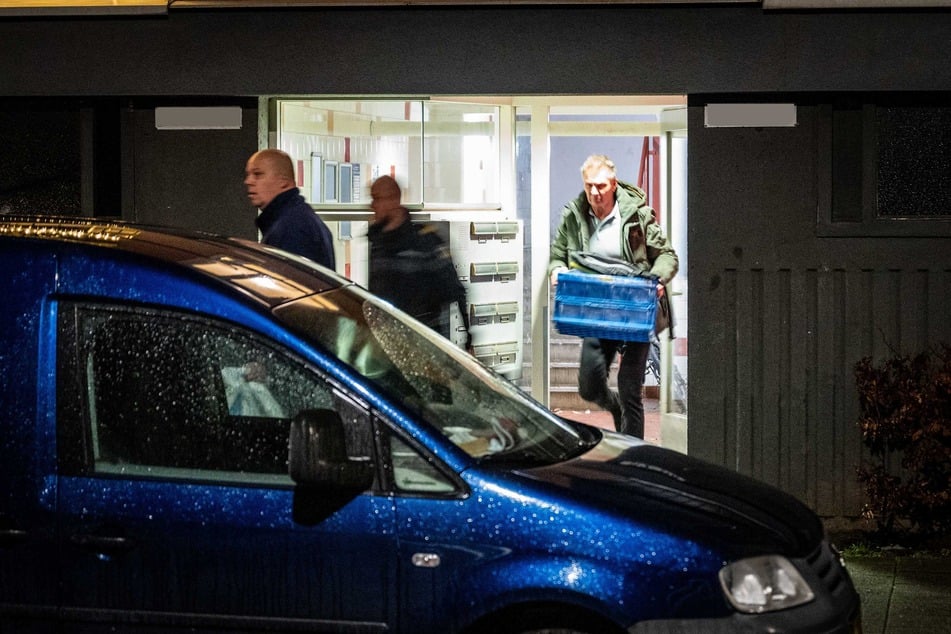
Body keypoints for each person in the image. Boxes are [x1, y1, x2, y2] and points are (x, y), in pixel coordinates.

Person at [548, 154, 678, 439]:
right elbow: (557, 255)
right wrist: (557, 270)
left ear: (614, 184)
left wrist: (657, 278)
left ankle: (633, 455)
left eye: (601, 186)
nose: (594, 192)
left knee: (631, 387)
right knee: (589, 386)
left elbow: (666, 256)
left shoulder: (638, 215)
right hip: (597, 311)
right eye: (589, 186)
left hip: (633, 311)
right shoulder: (573, 216)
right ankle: (614, 408)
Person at [367, 175, 472, 350]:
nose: (372, 206)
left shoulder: (425, 242)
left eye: (377, 198)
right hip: (388, 345)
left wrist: (468, 340)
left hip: (424, 345)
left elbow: (454, 289)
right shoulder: (378, 243)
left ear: (394, 200)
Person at [244, 148, 335, 270]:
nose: (248, 181)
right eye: (248, 175)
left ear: (284, 181)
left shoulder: (293, 227)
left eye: (258, 174)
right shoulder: (296, 217)